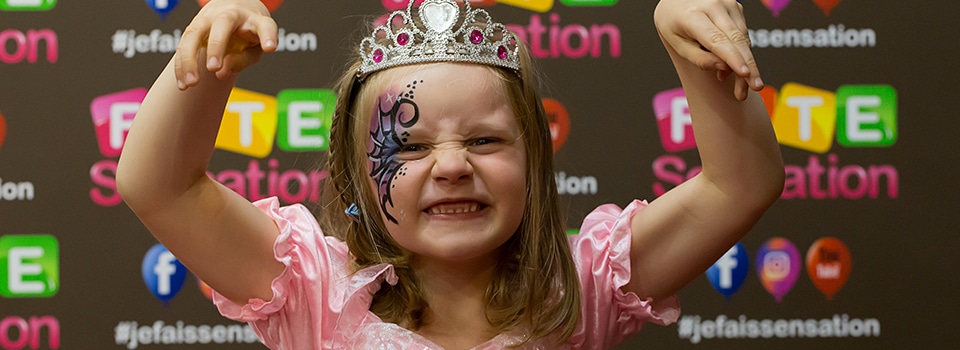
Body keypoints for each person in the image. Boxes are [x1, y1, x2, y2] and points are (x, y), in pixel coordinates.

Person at [116, 0, 784, 348]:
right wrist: (206, 70)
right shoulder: (315, 294)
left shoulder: (580, 293)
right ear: (355, 179)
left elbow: (738, 186)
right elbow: (162, 188)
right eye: (405, 150)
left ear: (535, 161)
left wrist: (689, 44)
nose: (453, 166)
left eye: (487, 139)